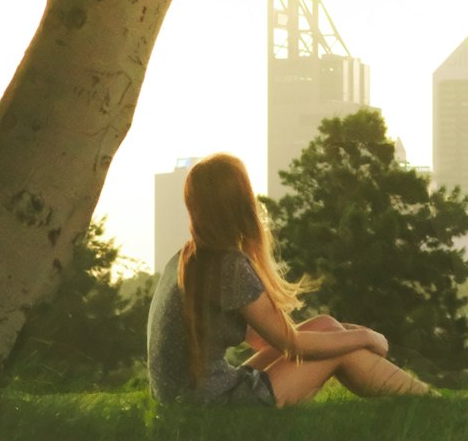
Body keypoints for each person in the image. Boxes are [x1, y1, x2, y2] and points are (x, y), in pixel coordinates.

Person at [147, 152, 431, 408]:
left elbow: (263, 339)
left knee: (326, 326)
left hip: (186, 398)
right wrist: (367, 337)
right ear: (241, 202)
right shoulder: (226, 265)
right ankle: (431, 403)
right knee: (344, 351)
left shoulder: (189, 258)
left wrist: (340, 334)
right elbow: (293, 346)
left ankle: (427, 401)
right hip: (213, 406)